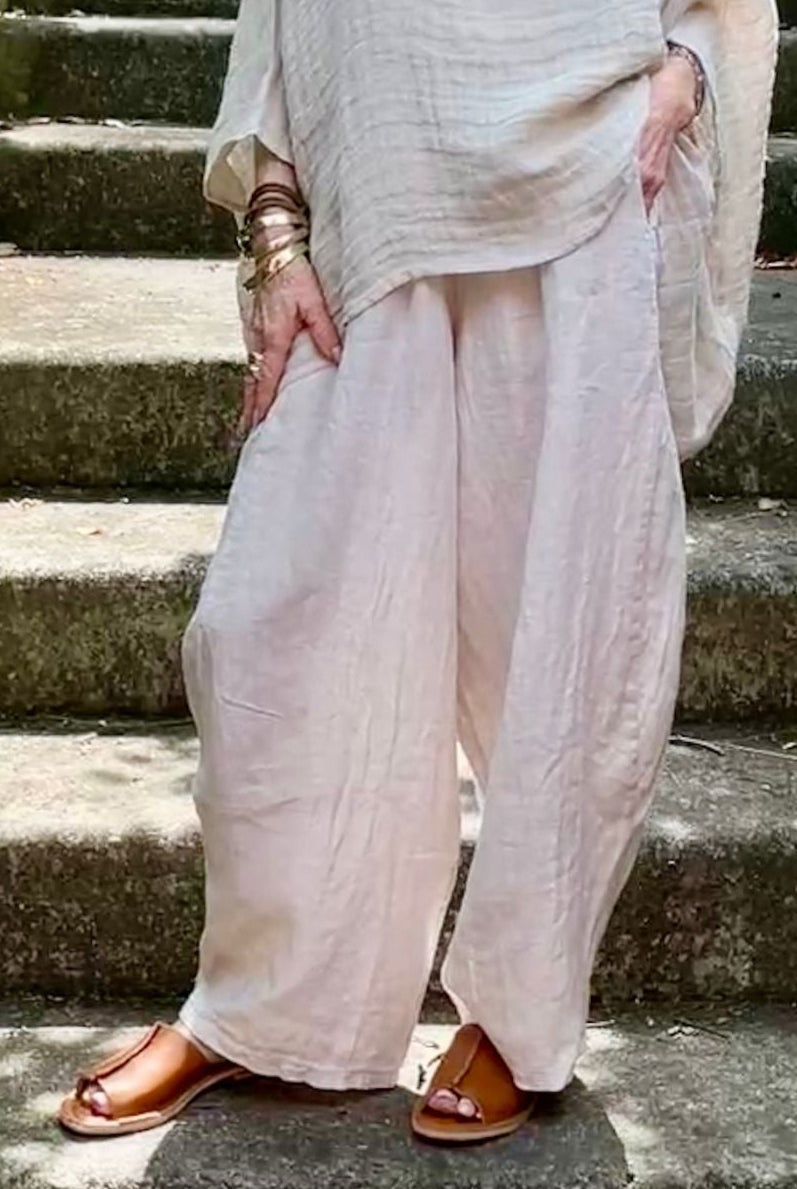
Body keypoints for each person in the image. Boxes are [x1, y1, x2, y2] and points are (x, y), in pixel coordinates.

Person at [59, 0, 777, 1144]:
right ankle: (263, 1012)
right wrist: (276, 233)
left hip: (579, 199)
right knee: (272, 623)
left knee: (557, 630)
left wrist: (682, 81)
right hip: (367, 224)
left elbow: (725, 11)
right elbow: (283, 27)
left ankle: (520, 1014)